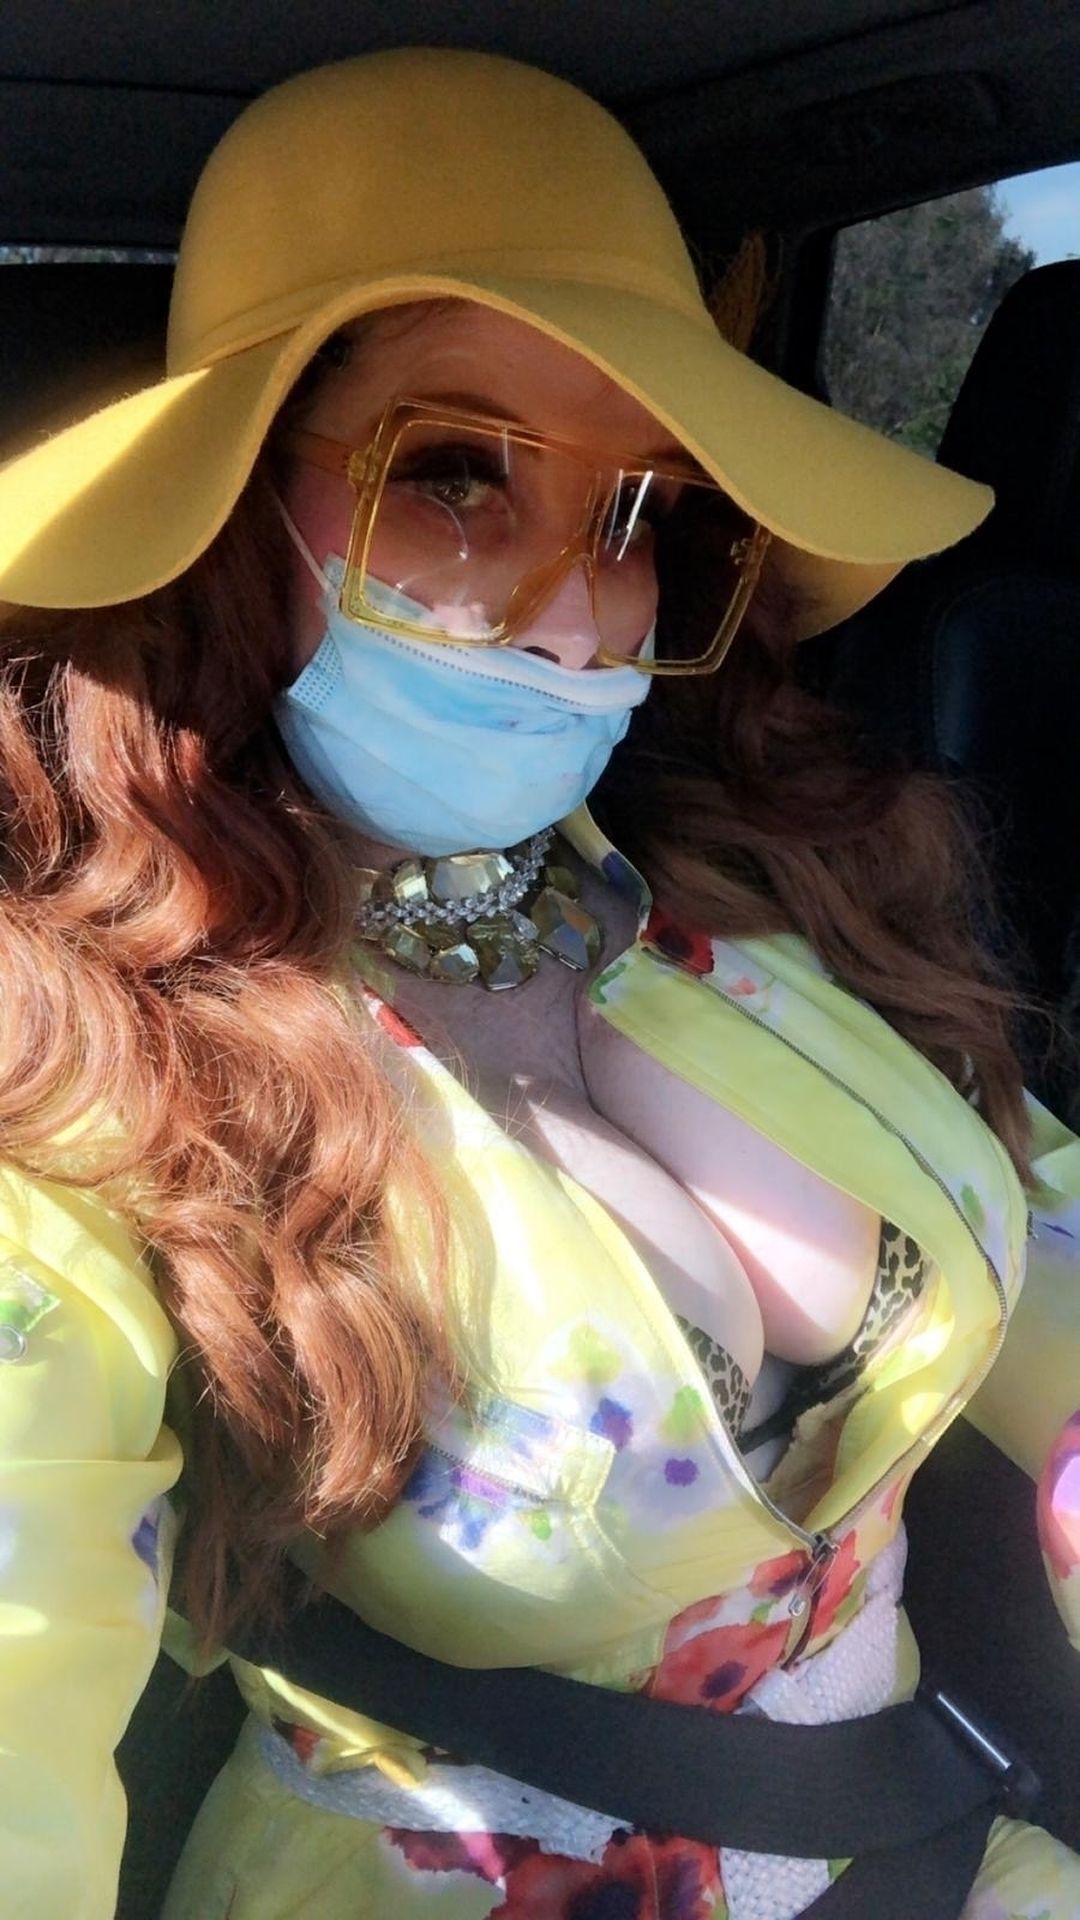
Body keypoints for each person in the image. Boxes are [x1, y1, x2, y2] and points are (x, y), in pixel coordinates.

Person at [0, 47, 1076, 1920]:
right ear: (231, 508)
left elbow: (1047, 1237)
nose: (581, 613)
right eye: (454, 476)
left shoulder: (740, 895)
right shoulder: (94, 1055)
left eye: (638, 515)